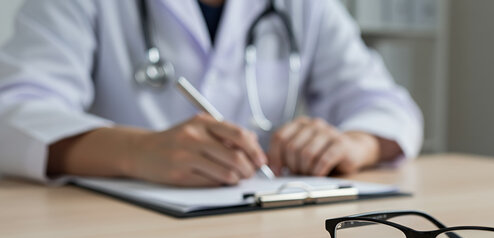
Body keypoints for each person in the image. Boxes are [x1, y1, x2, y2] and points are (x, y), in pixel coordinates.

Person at [0, 0, 422, 187]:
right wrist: (135, 151)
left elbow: (386, 105)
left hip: (257, 233)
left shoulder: (306, 5)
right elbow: (14, 113)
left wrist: (351, 145)